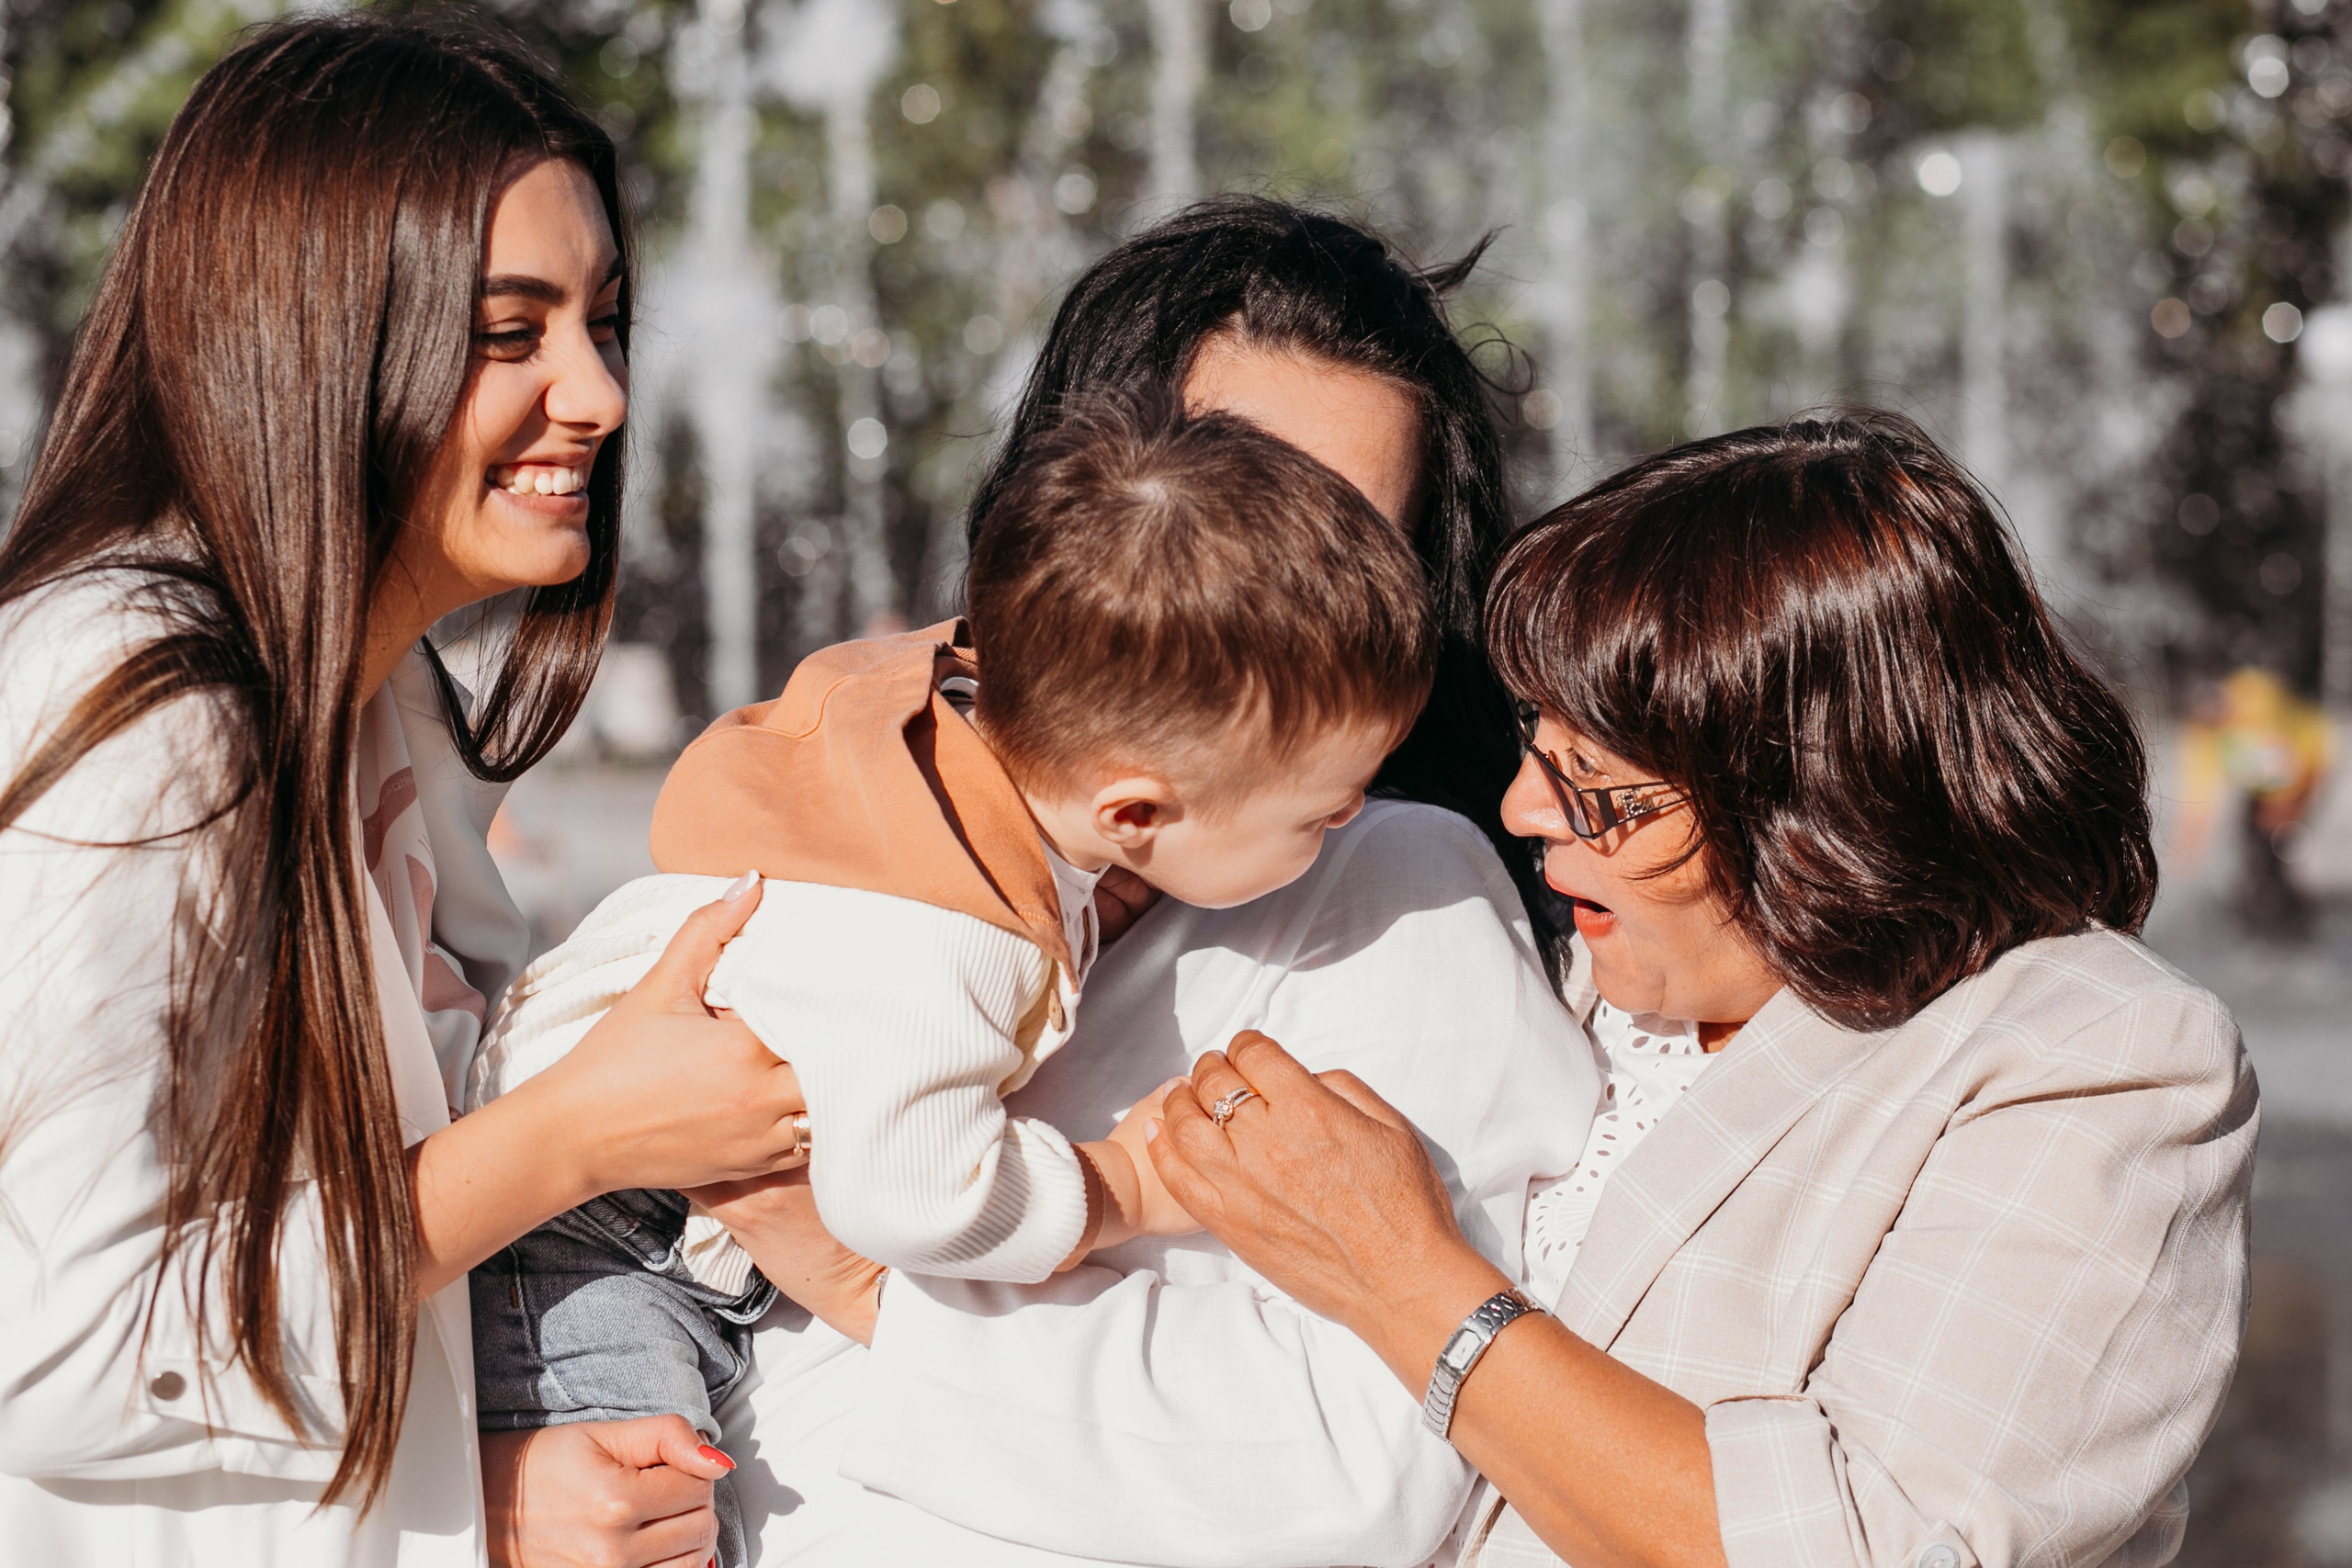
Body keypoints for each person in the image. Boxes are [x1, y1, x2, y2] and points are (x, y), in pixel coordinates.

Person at [500, 200, 1601, 1565]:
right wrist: (514, 1469)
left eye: (1347, 542)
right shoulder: (898, 793)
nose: (1271, 580)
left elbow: (1352, 1467)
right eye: (1222, 489)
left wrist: (864, 1283)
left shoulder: (1397, 888)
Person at [1148, 413, 2258, 1568]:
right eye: (1537, 743)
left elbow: (1876, 1546)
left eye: (1596, 784)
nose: (1524, 809)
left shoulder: (2094, 1054)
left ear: (1817, 805)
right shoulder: (1574, 961)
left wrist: (1405, 1281)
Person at [0, 17, 806, 1564]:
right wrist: (572, 1134)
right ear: (314, 332)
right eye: (511, 335)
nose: (599, 394)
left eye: (604, 320)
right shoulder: (135, 701)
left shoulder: (381, 703)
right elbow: (60, 1348)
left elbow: (325, 1281)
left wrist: (472, 1488)